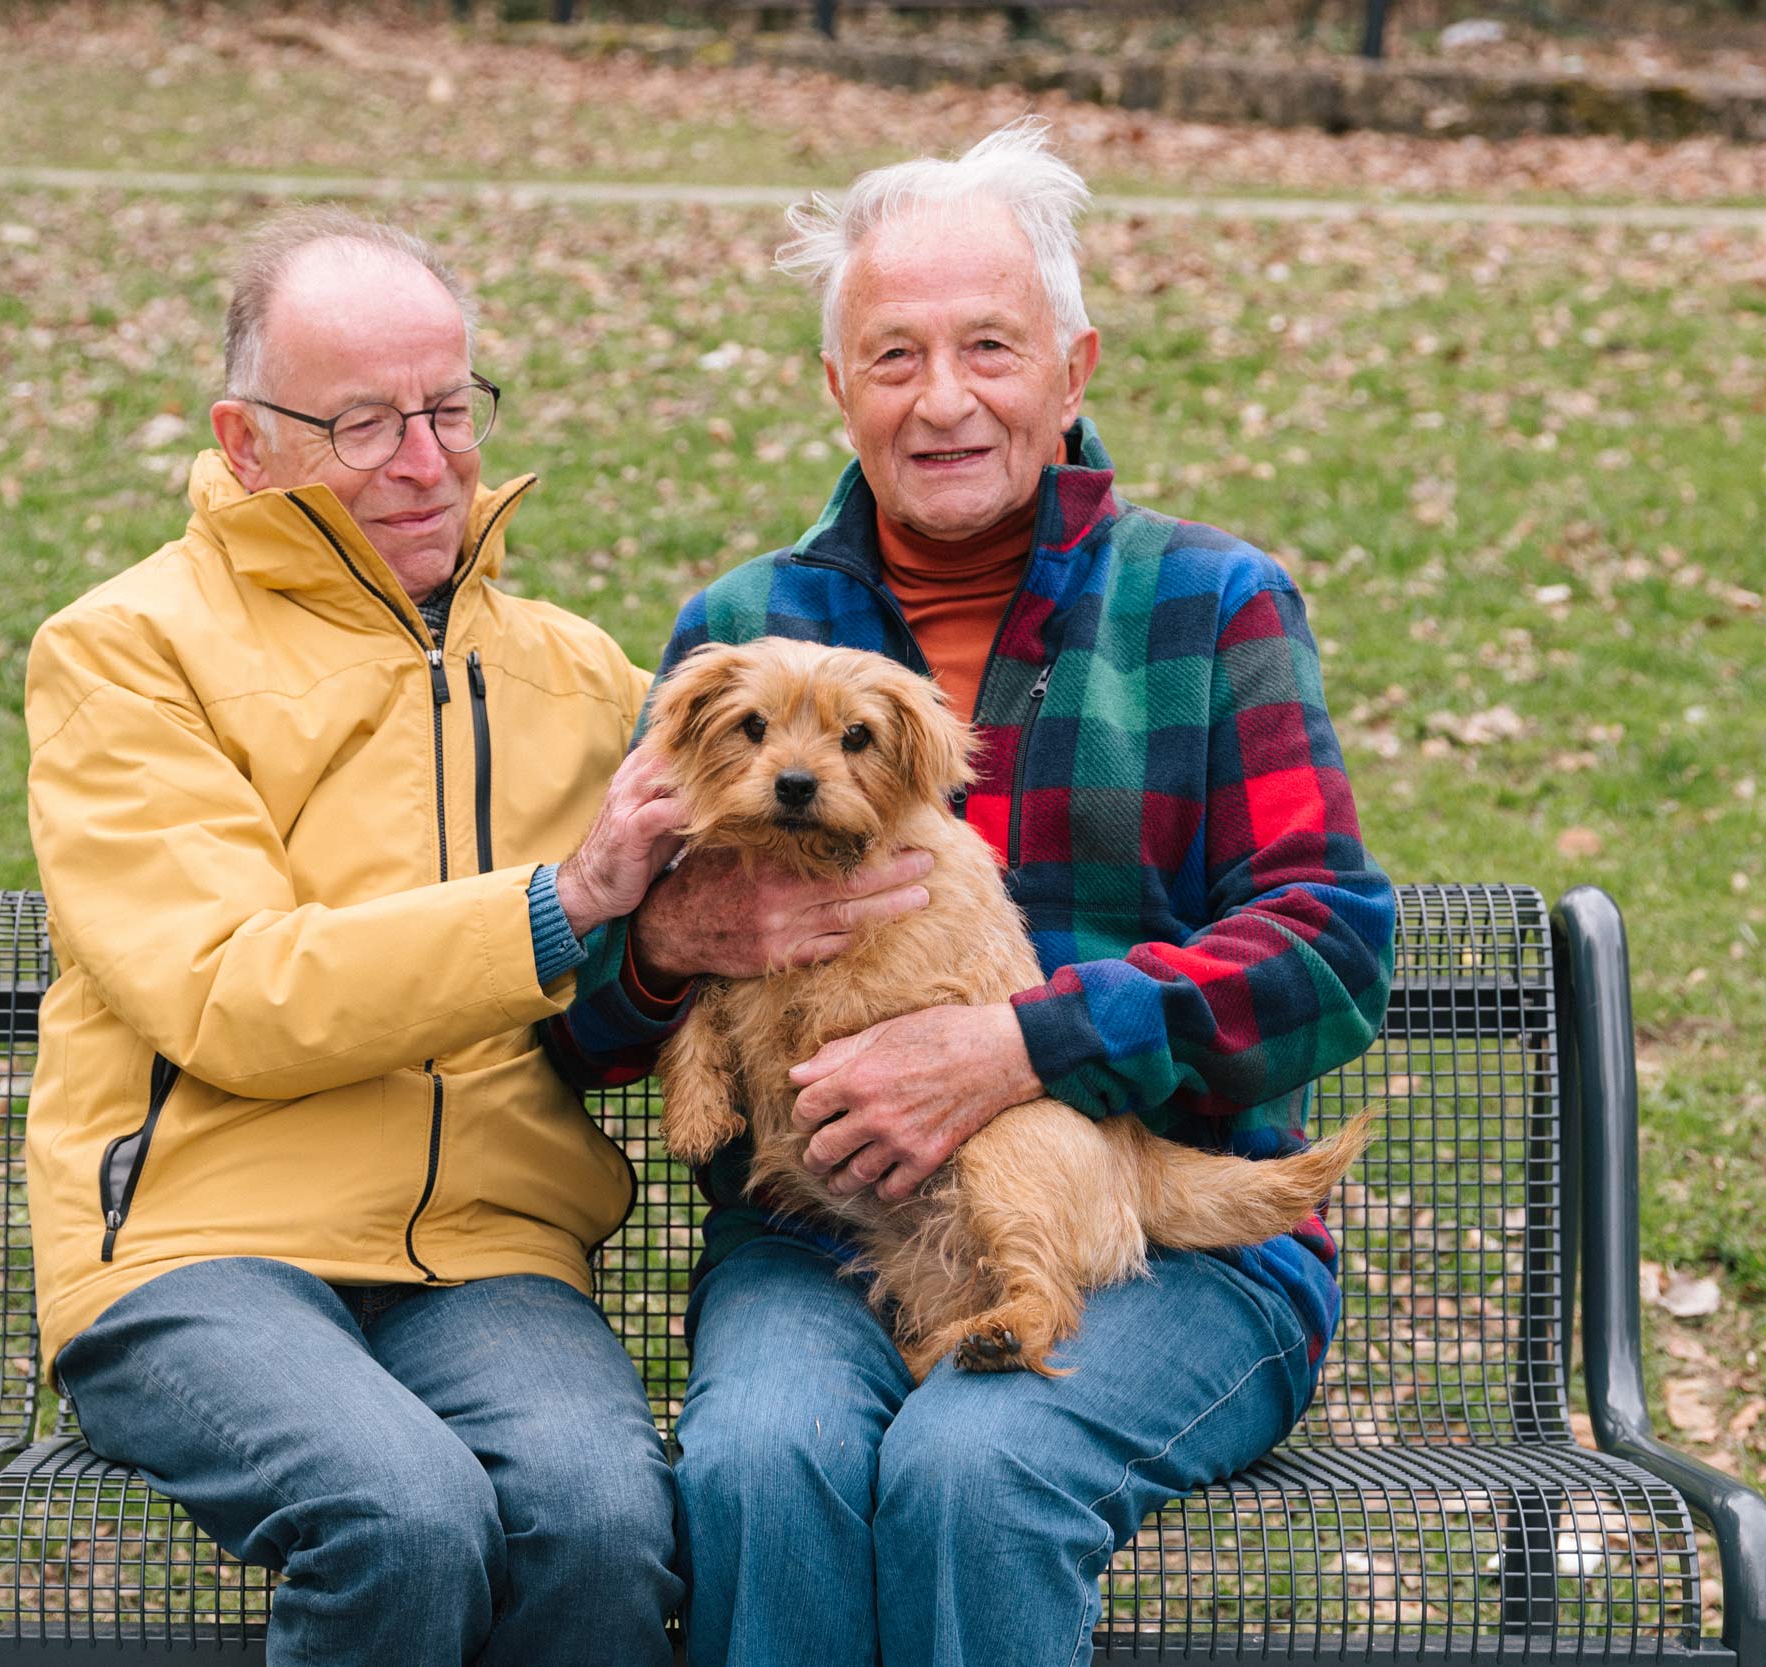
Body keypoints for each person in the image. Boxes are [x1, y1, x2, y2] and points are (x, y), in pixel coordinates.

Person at [546, 120, 1399, 1667]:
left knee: (975, 1467)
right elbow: (588, 1025)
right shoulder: (743, 629)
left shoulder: (1210, 604)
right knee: (761, 1463)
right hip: (813, 1239)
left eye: (989, 347)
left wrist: (1024, 1046)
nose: (943, 400)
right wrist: (666, 943)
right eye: (895, 356)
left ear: (1073, 372)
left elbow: (1329, 952)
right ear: (839, 387)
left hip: (1170, 1247)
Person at [19, 206, 701, 1667]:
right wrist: (558, 904)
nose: (424, 460)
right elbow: (231, 994)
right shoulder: (127, 652)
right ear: (246, 439)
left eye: (449, 409)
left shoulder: (579, 675)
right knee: (402, 1515)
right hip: (200, 1248)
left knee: (599, 1523)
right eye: (363, 423)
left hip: (490, 1252)